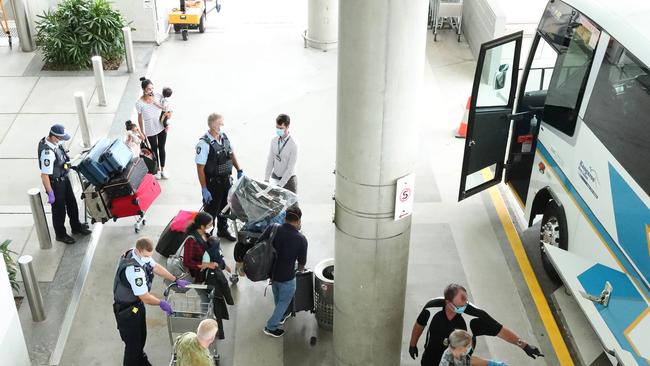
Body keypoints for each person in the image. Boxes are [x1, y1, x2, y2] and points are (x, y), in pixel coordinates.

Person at [409, 284, 544, 366]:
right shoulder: (431, 308)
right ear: (447, 302)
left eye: (466, 301)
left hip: (460, 361)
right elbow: (419, 325)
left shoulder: (475, 316)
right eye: (460, 304)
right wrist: (412, 344)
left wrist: (524, 345)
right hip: (430, 360)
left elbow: (500, 330)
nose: (465, 305)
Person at [113, 237, 190, 366]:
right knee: (132, 346)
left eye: (150, 255)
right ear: (138, 251)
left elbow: (155, 266)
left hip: (135, 307)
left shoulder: (135, 253)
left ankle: (141, 360)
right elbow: (145, 297)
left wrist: (174, 279)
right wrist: (161, 303)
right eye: (146, 256)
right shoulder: (134, 271)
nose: (148, 258)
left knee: (140, 339)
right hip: (127, 312)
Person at [182, 212, 235, 338]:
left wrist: (222, 265)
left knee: (212, 300)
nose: (212, 226)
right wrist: (206, 265)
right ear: (201, 226)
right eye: (210, 224)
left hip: (211, 275)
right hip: (199, 278)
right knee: (206, 301)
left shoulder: (206, 235)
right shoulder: (191, 240)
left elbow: (213, 252)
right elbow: (187, 261)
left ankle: (210, 323)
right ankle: (205, 326)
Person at [38, 124, 92, 244]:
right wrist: (50, 193)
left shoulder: (56, 144)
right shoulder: (47, 153)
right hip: (55, 184)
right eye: (60, 138)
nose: (61, 141)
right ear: (53, 137)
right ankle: (60, 235)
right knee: (59, 210)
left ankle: (76, 227)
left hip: (64, 179)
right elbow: (44, 175)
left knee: (72, 204)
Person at [195, 113, 244, 241]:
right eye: (219, 123)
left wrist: (239, 169)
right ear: (212, 125)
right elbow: (200, 168)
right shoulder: (204, 143)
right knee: (211, 212)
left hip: (226, 181)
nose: (222, 125)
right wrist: (204, 189)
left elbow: (231, 154)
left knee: (225, 207)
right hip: (213, 184)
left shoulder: (224, 137)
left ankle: (223, 230)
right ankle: (207, 237)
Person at [262, 206, 307, 337]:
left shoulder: (273, 227)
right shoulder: (301, 239)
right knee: (284, 302)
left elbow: (261, 243)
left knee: (277, 295)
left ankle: (281, 317)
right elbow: (302, 263)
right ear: (298, 221)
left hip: (272, 272)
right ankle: (270, 327)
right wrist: (300, 270)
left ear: (285, 217)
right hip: (287, 276)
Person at [136, 77, 168, 180]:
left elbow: (166, 109)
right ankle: (157, 170)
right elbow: (140, 118)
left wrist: (167, 124)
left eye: (152, 88)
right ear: (144, 90)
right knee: (154, 149)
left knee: (162, 148)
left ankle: (163, 170)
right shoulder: (139, 103)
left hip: (160, 125)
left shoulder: (157, 96)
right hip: (150, 128)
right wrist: (142, 131)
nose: (151, 91)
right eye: (149, 89)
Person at [264, 114, 298, 194]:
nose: (278, 130)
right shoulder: (274, 141)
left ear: (287, 126)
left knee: (292, 206)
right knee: (272, 204)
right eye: (277, 127)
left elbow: (291, 168)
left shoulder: (294, 144)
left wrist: (280, 185)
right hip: (275, 177)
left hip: (289, 180)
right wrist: (266, 179)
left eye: (281, 128)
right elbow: (270, 161)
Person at [439, 330, 507, 366]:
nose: (470, 348)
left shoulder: (458, 352)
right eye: (468, 346)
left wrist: (493, 364)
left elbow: (473, 360)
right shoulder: (447, 362)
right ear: (460, 348)